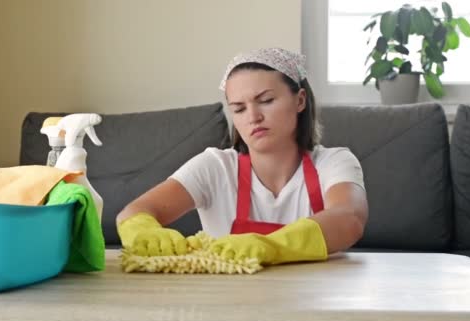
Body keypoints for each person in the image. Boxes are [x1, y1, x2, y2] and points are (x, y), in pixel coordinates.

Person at [116, 47, 368, 265]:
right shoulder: (215, 167)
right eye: (238, 108)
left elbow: (350, 217)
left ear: (300, 100)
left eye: (266, 100)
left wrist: (271, 247)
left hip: (315, 299)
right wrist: (142, 230)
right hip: (229, 304)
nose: (253, 117)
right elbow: (134, 212)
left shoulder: (334, 162)